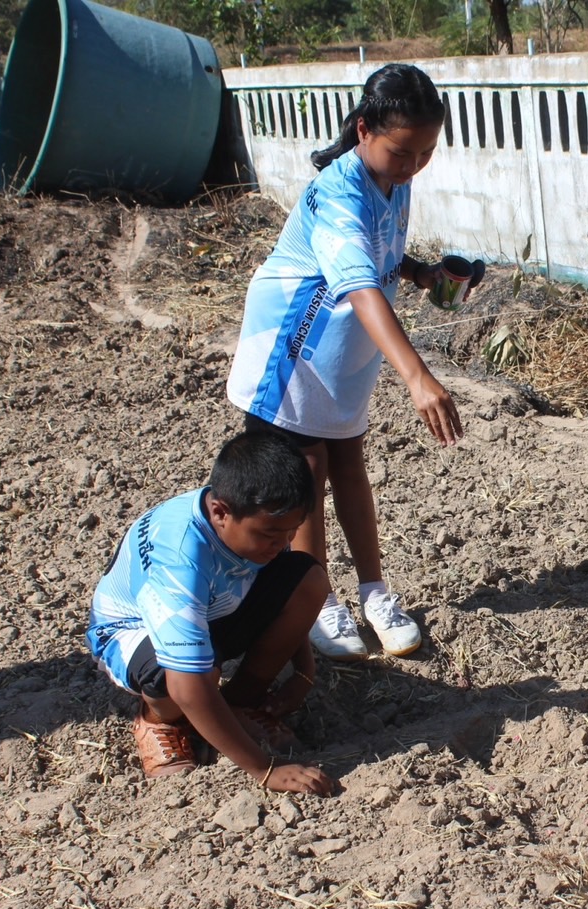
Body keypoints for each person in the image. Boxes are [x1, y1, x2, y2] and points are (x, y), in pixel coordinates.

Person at [227, 62, 470, 663]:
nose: (413, 165)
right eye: (402, 152)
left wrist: (422, 275)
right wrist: (418, 377)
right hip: (295, 344)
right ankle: (317, 600)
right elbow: (359, 284)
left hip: (344, 348)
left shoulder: (394, 176)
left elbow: (382, 252)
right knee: (307, 472)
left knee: (350, 466)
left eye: (426, 152)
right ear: (363, 130)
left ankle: (373, 592)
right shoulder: (335, 192)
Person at [86, 431, 338, 795]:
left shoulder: (254, 521)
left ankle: (236, 704)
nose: (282, 543)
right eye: (271, 534)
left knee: (309, 579)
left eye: (291, 532)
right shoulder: (179, 562)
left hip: (213, 608)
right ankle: (159, 721)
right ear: (220, 512)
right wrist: (266, 770)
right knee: (185, 677)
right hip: (131, 634)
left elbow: (289, 587)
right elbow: (187, 685)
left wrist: (305, 671)